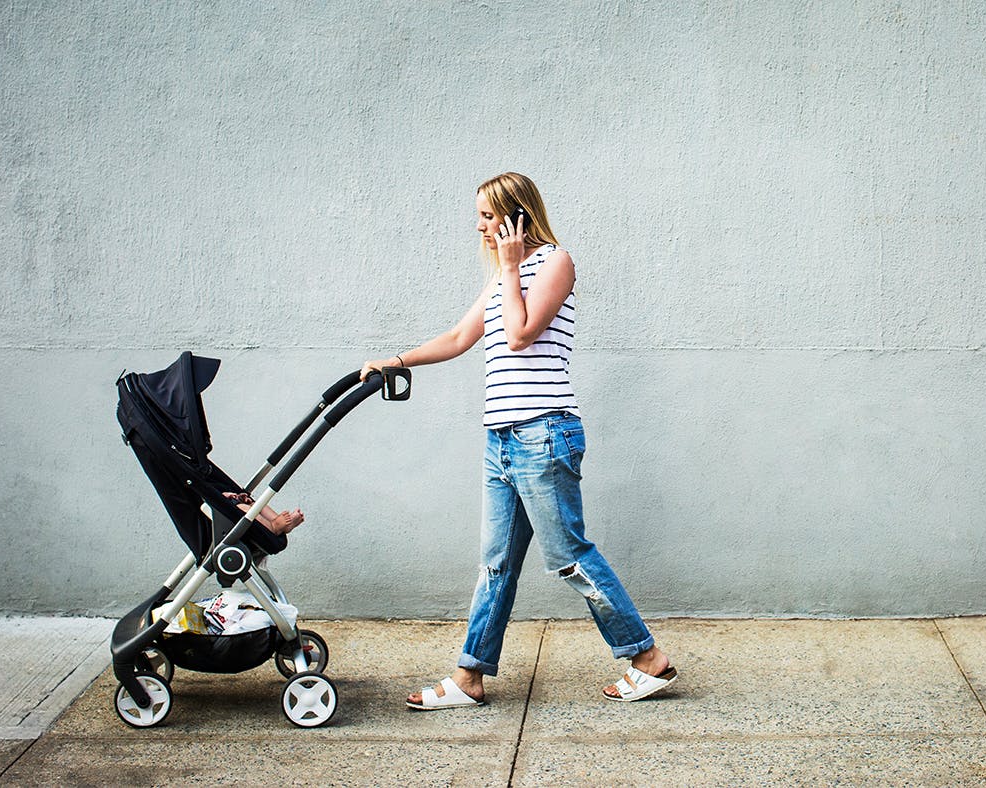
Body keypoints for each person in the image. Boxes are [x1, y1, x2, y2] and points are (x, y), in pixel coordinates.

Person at [361, 172, 675, 709]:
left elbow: (521, 333)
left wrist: (509, 268)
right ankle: (469, 678)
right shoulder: (500, 280)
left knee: (568, 556)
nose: (479, 226)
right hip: (501, 438)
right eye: (479, 217)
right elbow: (461, 337)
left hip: (544, 433)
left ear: (516, 216)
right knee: (496, 562)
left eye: (488, 216)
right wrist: (395, 361)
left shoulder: (555, 261)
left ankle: (647, 660)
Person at [222, 491, 304, 536]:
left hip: (228, 504)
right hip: (227, 515)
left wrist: (232, 496)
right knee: (243, 508)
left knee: (257, 504)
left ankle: (283, 524)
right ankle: (274, 527)